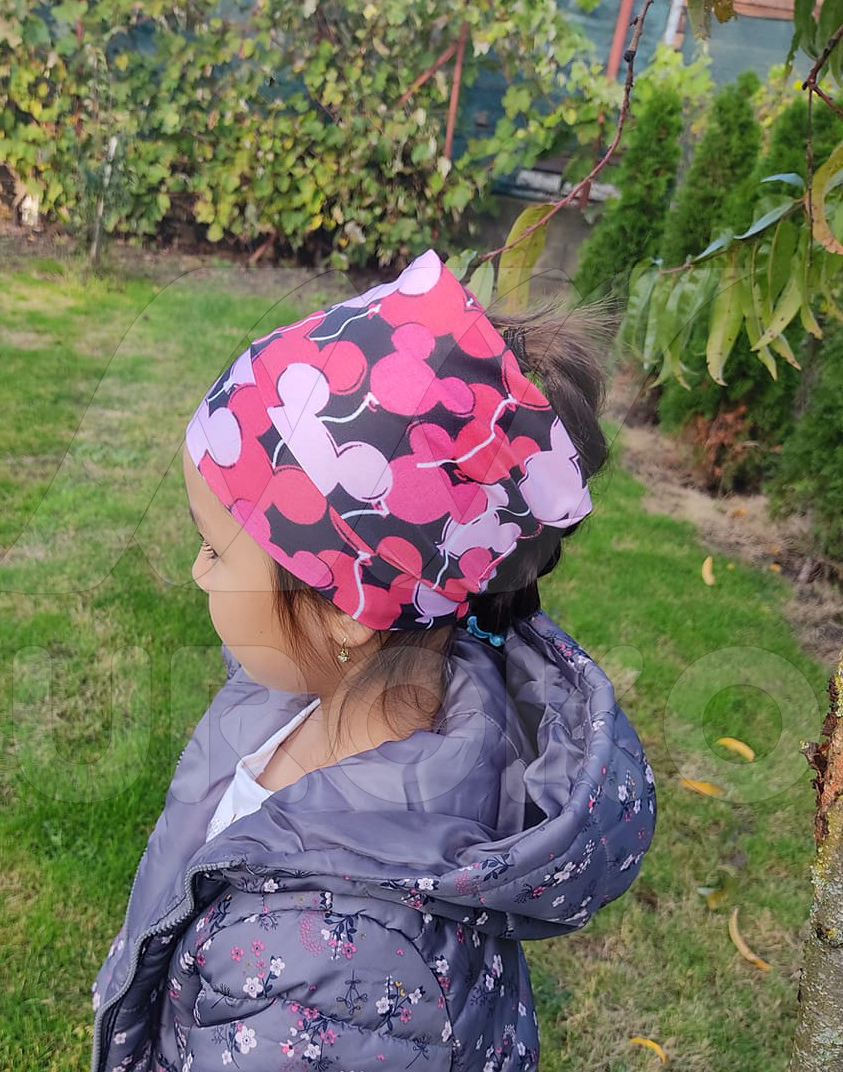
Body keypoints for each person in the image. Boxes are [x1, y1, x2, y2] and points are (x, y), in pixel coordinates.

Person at [89, 248, 657, 1072]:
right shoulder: (309, 690)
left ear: (344, 612)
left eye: (213, 548)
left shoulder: (330, 974)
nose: (196, 572)